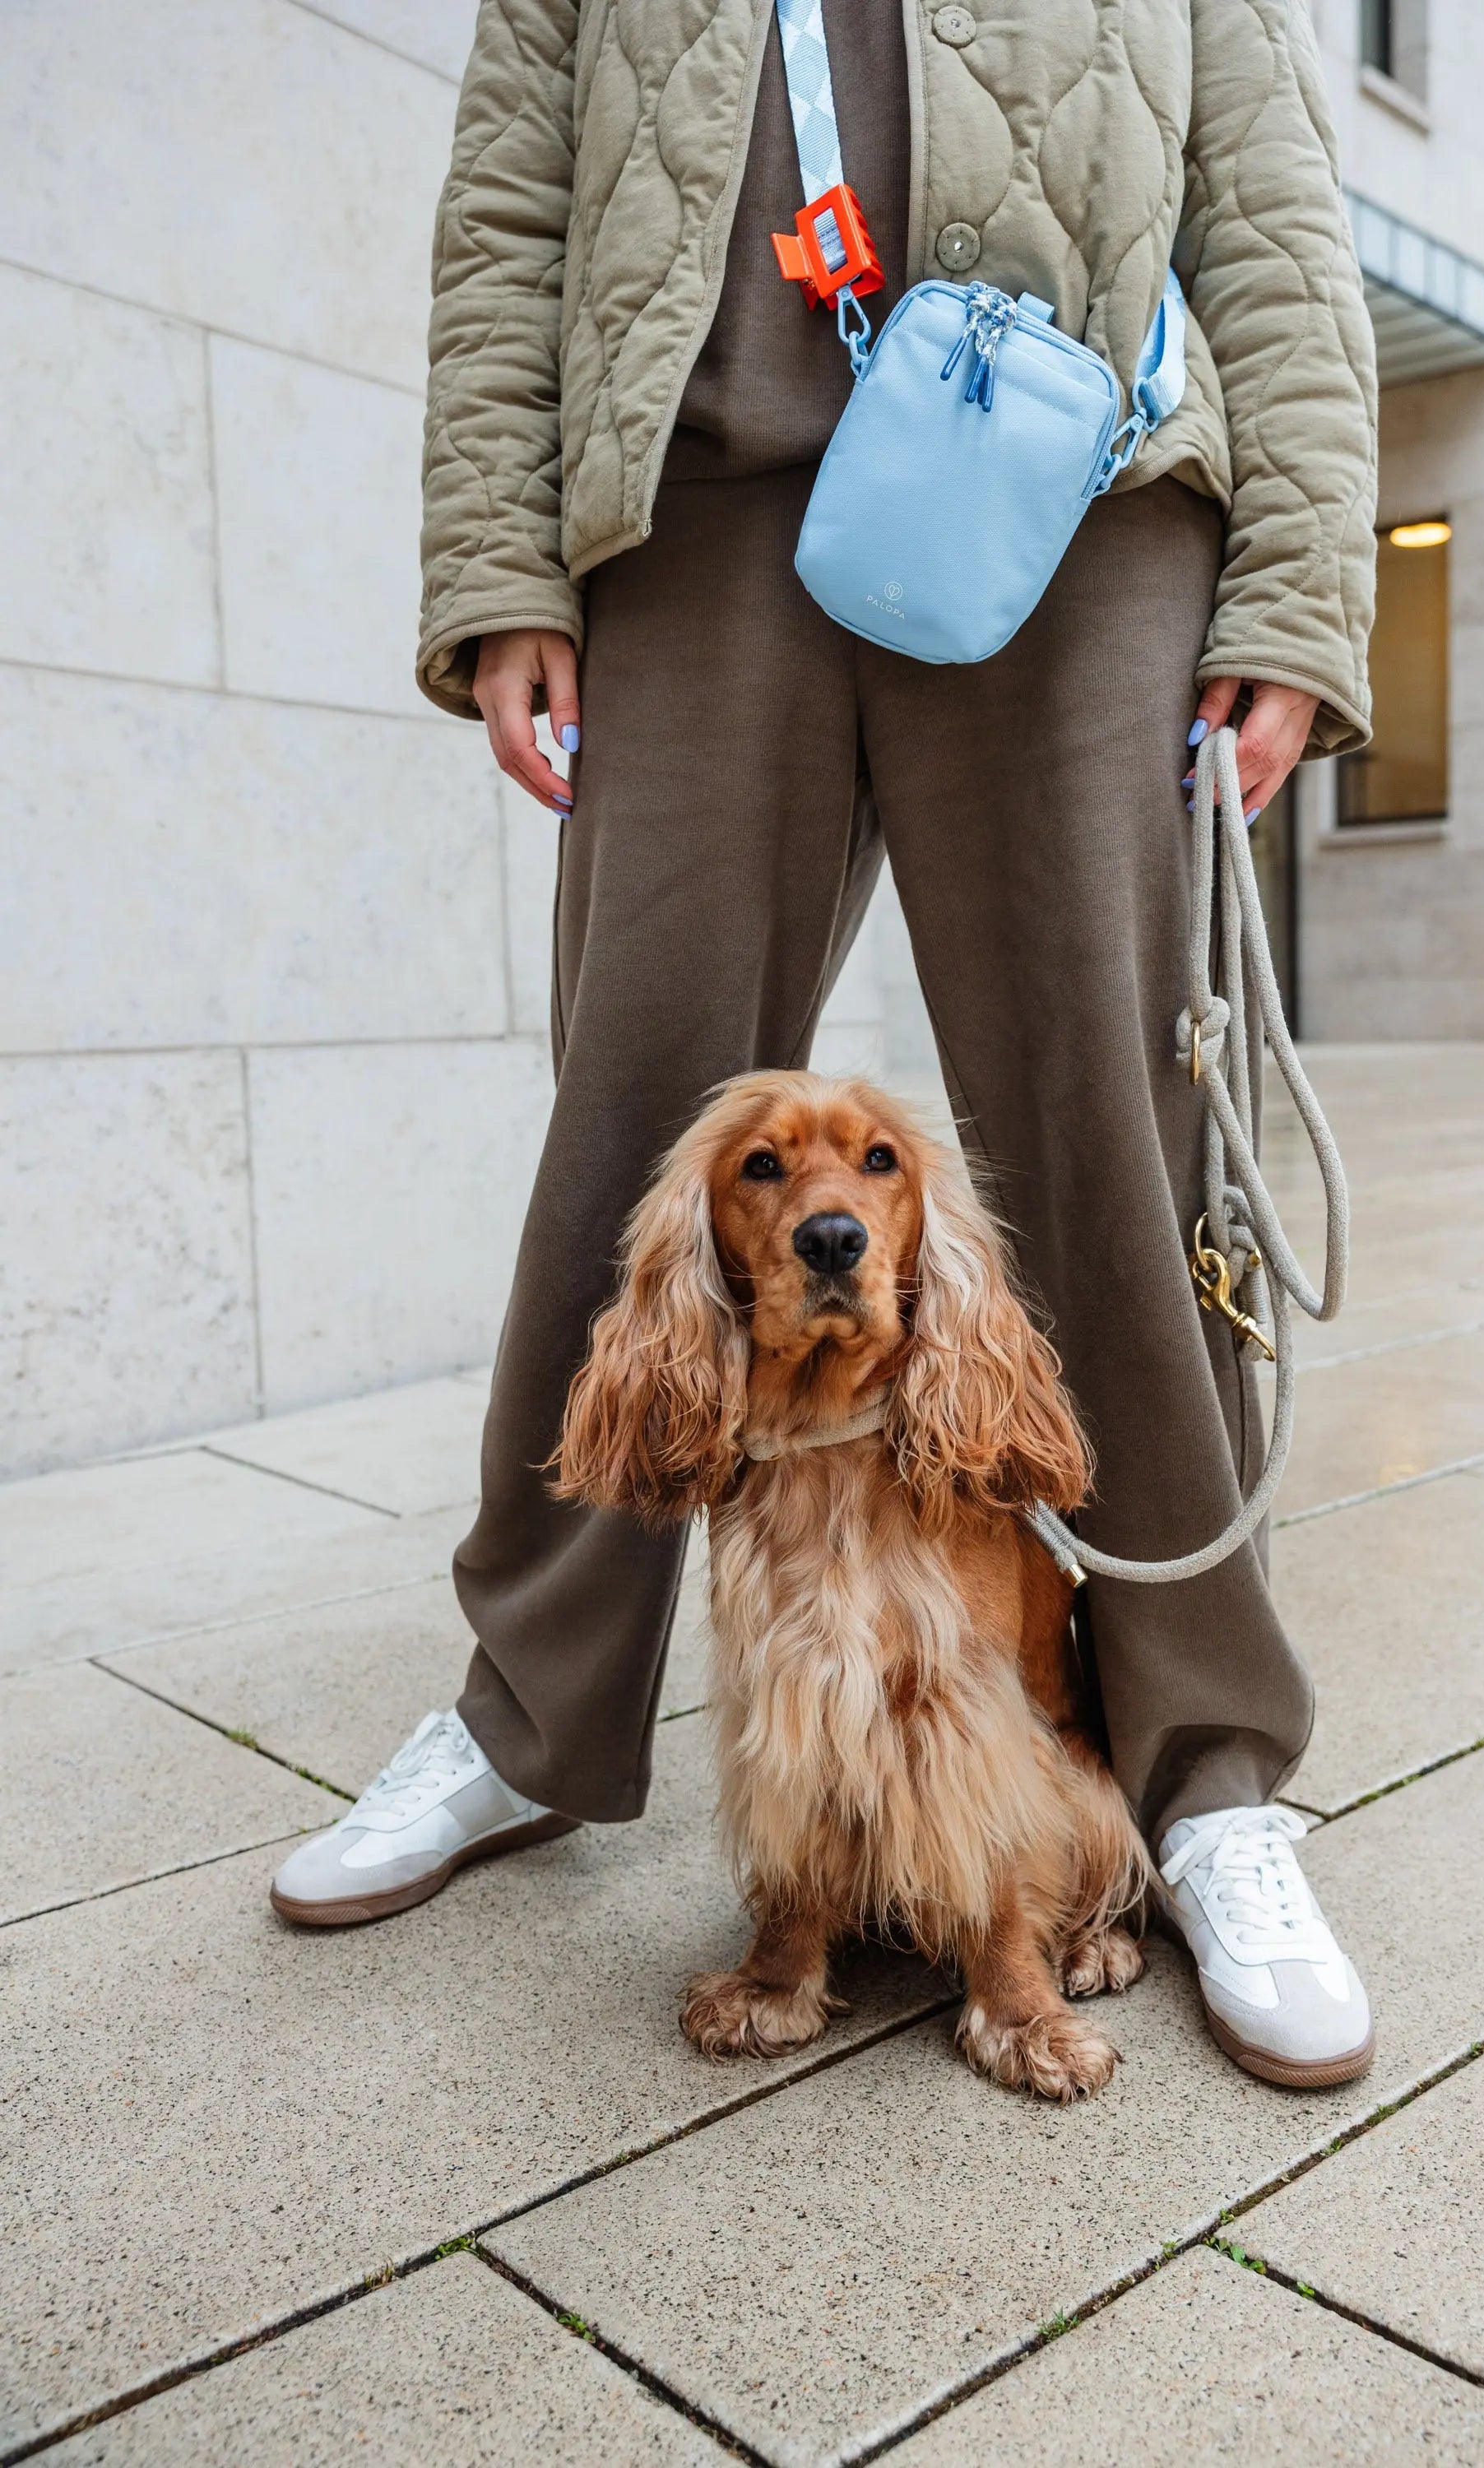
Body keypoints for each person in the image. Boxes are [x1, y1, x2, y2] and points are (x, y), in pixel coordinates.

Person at [272, 0, 1379, 2090]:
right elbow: (510, 210)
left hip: (1077, 478)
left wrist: (1299, 594)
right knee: (634, 1141)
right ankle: (529, 1714)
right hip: (694, 504)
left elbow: (1269, 208)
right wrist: (500, 558)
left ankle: (1206, 1772)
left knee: (1123, 1150)